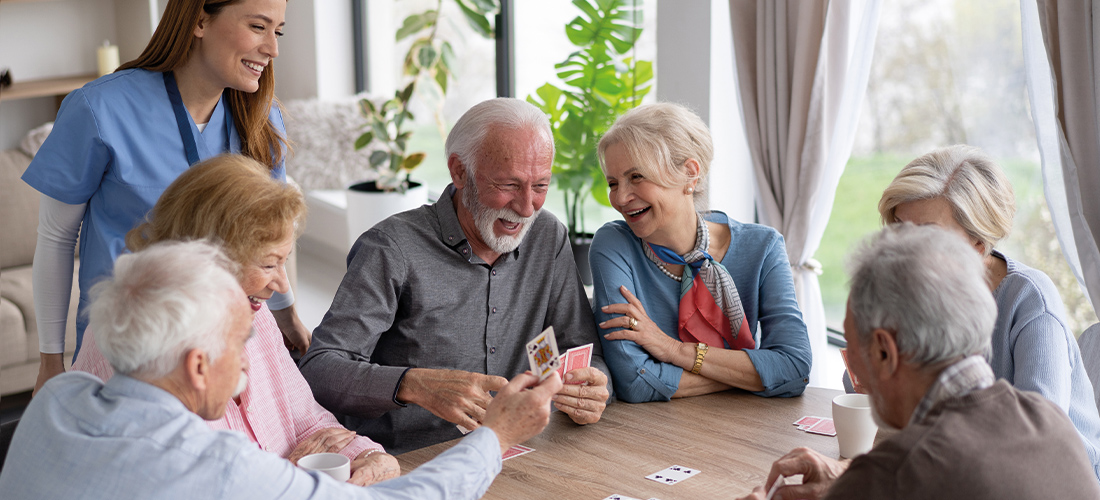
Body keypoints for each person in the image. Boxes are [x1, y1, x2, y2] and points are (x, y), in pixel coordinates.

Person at [0, 241, 562, 499]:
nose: (248, 369)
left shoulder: (58, 399)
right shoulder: (217, 468)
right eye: (239, 345)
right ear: (198, 366)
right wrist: (496, 434)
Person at [23, 0, 311, 396]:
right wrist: (50, 362)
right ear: (199, 20)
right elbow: (56, 239)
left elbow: (268, 240)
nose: (273, 49)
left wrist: (287, 315)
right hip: (128, 348)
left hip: (228, 344)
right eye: (258, 27)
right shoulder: (99, 109)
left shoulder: (262, 119)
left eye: (277, 32)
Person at [298, 98, 611, 454]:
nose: (527, 208)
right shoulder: (391, 248)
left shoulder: (547, 236)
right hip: (409, 461)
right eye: (509, 185)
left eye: (540, 186)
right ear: (459, 171)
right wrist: (413, 384)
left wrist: (595, 385)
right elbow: (319, 369)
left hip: (520, 451)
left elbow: (582, 350)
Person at [70, 155, 399, 485]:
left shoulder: (255, 318)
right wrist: (284, 477)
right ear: (212, 259)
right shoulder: (134, 346)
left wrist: (372, 457)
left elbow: (311, 424)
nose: (283, 285)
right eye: (269, 265)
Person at [738, 224, 1100, 500]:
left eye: (851, 345)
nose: (852, 370)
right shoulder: (1053, 422)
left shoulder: (895, 473)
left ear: (884, 351)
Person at [863, 144, 1100, 478]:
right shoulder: (918, 290)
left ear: (978, 244)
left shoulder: (1029, 300)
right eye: (900, 229)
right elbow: (870, 390)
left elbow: (1038, 438)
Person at [589, 103, 811, 403]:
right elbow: (634, 382)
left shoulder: (763, 247)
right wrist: (749, 373)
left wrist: (672, 350)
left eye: (637, 177)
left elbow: (794, 367)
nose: (621, 197)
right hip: (654, 435)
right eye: (613, 183)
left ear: (690, 174)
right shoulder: (614, 246)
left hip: (748, 430)